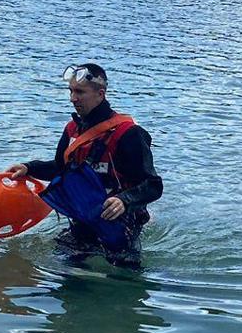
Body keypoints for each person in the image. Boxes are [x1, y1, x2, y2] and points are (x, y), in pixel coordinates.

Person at [8, 64, 162, 262]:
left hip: (121, 224)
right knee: (65, 273)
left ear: (100, 94)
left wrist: (124, 200)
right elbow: (61, 168)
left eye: (80, 92)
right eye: (71, 91)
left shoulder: (128, 134)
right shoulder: (72, 129)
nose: (73, 98)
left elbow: (153, 185)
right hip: (83, 219)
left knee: (124, 277)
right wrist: (30, 168)